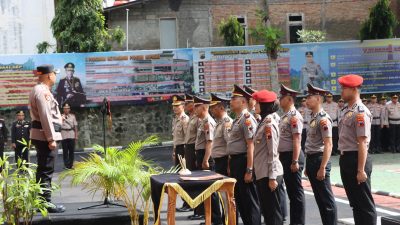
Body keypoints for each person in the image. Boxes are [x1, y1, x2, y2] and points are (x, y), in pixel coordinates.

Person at [338, 74, 377, 225]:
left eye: (344, 88)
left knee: (365, 204)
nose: (341, 91)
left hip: (357, 160)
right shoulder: (346, 110)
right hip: (346, 158)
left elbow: (362, 142)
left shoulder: (360, 111)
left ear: (354, 89)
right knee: (355, 204)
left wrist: (361, 170)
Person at [29, 65, 65, 213]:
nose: (55, 76)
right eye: (54, 74)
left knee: (43, 168)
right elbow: (45, 116)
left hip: (42, 134)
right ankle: (45, 203)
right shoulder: (42, 92)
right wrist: (51, 138)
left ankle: (40, 202)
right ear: (49, 76)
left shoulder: (39, 90)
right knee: (46, 170)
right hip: (45, 136)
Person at [227, 84, 261, 225]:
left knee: (249, 200)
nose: (230, 101)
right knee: (240, 199)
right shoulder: (237, 119)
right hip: (236, 162)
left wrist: (249, 169)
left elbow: (251, 144)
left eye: (234, 98)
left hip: (244, 161)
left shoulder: (247, 119)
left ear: (243, 102)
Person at [304, 83, 337, 225]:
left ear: (318, 99)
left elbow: (328, 144)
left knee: (326, 200)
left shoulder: (323, 118)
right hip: (312, 160)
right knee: (320, 199)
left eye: (309, 97)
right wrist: (307, 165)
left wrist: (322, 167)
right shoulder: (313, 117)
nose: (306, 100)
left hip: (319, 160)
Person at [251, 89, 284, 225]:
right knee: (268, 212)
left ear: (264, 105)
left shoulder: (269, 124)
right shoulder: (263, 121)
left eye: (257, 103)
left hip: (269, 173)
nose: (254, 106)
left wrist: (272, 177)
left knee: (273, 213)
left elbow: (272, 151)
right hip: (262, 172)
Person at [278, 84, 306, 225]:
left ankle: (298, 223)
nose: (279, 99)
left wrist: (295, 160)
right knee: (291, 192)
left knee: (296, 194)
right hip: (285, 156)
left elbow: (297, 139)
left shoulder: (294, 116)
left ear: (289, 99)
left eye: (281, 97)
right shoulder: (285, 116)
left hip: (292, 156)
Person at [193, 95, 222, 225]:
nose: (194, 109)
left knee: (211, 190)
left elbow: (209, 143)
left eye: (196, 106)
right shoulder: (203, 121)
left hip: (206, 157)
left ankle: (216, 219)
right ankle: (209, 219)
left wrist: (205, 160)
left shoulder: (208, 122)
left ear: (204, 107)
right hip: (201, 155)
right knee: (206, 190)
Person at [209, 93, 232, 224]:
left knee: (226, 195)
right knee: (221, 194)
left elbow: (230, 145)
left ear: (221, 108)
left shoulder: (226, 123)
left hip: (224, 161)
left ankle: (229, 220)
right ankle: (224, 220)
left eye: (214, 108)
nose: (211, 110)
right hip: (219, 161)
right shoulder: (219, 123)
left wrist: (229, 165)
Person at [180, 93, 197, 213]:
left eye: (187, 103)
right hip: (188, 148)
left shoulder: (197, 119)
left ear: (193, 104)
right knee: (187, 178)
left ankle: (195, 207)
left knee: (194, 179)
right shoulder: (191, 118)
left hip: (194, 149)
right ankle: (191, 204)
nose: (185, 105)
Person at [61, 103, 78, 169]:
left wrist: (76, 136)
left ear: (69, 109)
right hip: (64, 134)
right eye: (65, 108)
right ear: (63, 109)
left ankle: (70, 165)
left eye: (68, 108)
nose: (66, 109)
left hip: (71, 134)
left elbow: (75, 127)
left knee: (71, 151)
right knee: (65, 151)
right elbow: (58, 125)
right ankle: (66, 165)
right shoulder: (60, 116)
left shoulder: (73, 116)